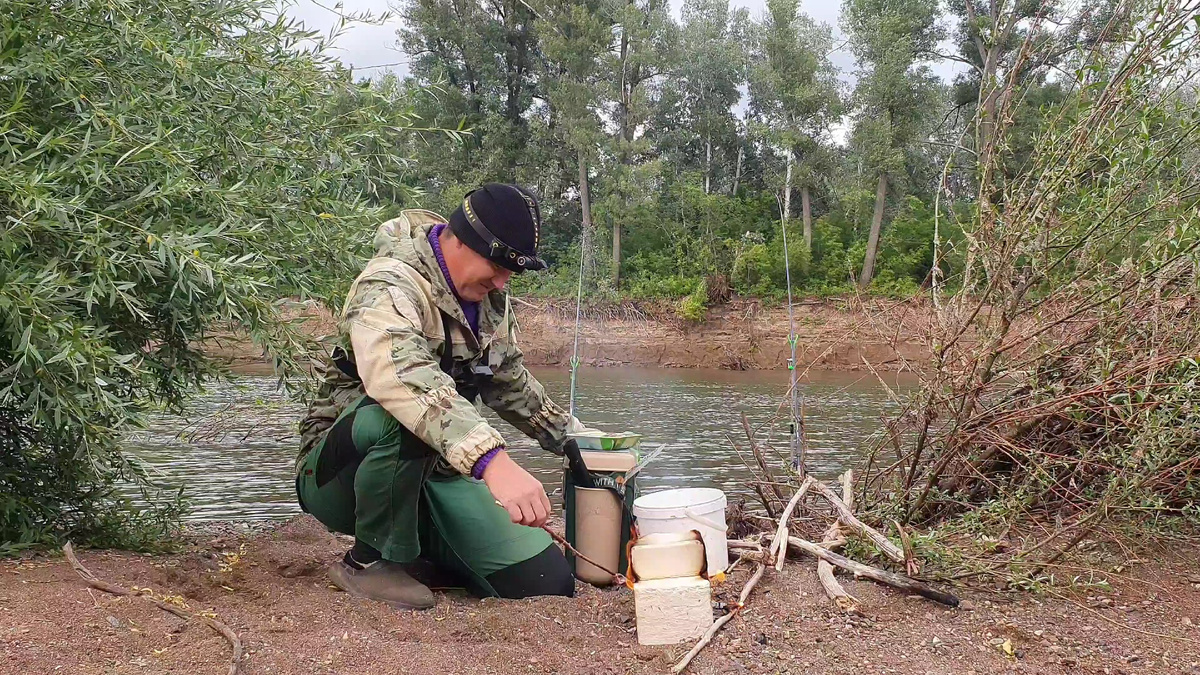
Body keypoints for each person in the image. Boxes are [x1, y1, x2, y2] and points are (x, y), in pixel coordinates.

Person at [296, 183, 594, 609]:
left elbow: (508, 381)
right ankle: (367, 561)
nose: (503, 280)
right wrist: (494, 462)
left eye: (512, 271)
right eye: (497, 265)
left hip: (434, 471)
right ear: (459, 239)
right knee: (402, 416)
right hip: (339, 470)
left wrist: (577, 440)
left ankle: (423, 550)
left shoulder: (488, 296)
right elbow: (405, 379)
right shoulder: (389, 285)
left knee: (546, 579)